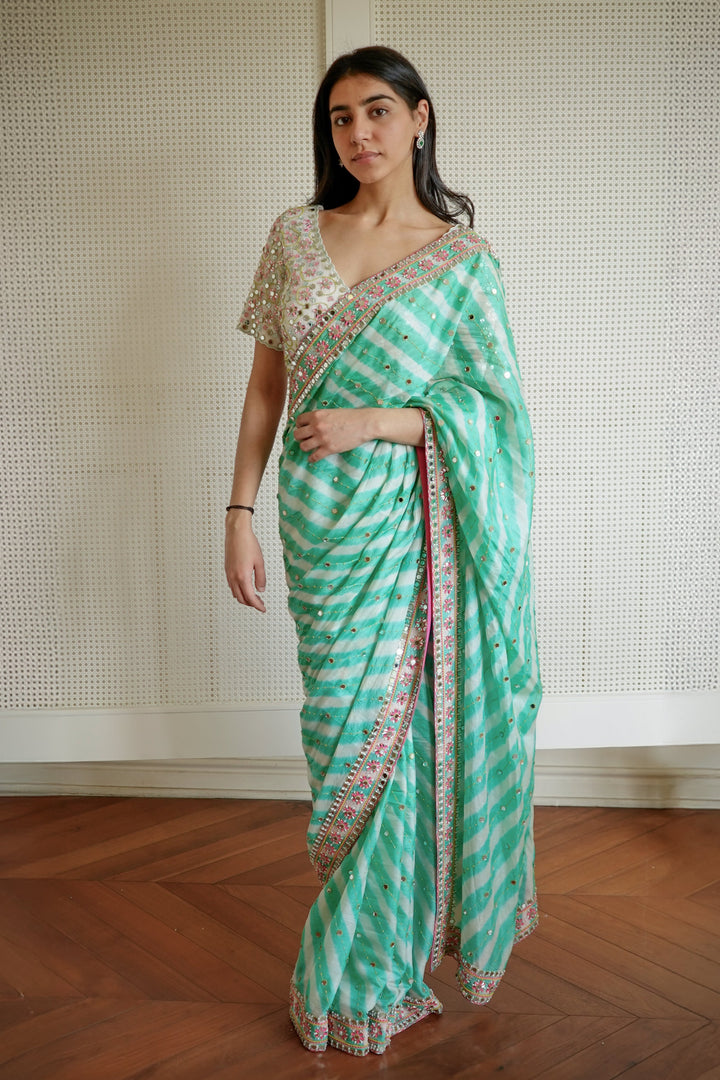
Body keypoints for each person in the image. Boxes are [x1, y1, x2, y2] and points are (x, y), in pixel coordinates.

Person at [225, 45, 542, 1057]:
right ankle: (372, 953)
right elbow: (268, 388)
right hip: (319, 530)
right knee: (343, 738)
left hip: (409, 531)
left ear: (418, 118)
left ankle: (369, 972)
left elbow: (498, 420)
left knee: (402, 743)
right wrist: (236, 509)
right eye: (338, 120)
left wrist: (380, 421)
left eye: (375, 113)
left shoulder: (463, 262)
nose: (357, 135)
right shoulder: (292, 238)